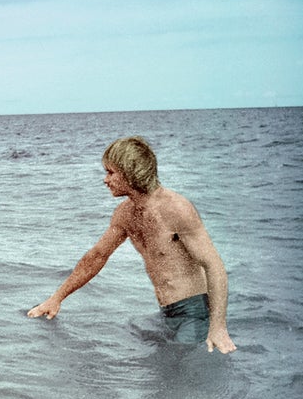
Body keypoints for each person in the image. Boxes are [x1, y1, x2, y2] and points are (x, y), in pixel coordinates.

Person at [27, 136, 237, 354]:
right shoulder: (125, 214)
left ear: (131, 172)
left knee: (179, 376)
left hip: (194, 311)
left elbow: (214, 265)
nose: (105, 180)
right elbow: (97, 256)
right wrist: (56, 299)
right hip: (167, 312)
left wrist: (218, 327)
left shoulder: (176, 208)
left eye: (111, 172)